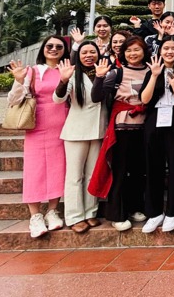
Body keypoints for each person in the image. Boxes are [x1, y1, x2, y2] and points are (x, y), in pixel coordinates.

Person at [7, 35, 70, 239]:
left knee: (58, 167)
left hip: (62, 124)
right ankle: (35, 215)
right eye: (49, 46)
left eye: (59, 47)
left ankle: (53, 210)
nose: (54, 49)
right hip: (37, 124)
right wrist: (18, 81)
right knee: (35, 169)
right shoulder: (33, 71)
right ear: (43, 49)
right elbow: (14, 99)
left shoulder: (67, 69)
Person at [89, 36, 150, 231]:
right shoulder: (116, 73)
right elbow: (97, 96)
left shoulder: (152, 71)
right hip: (122, 128)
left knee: (139, 170)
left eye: (137, 50)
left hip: (145, 127)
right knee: (120, 170)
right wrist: (99, 77)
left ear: (144, 52)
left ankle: (135, 207)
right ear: (122, 53)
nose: (133, 54)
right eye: (129, 50)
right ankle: (117, 213)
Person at [139, 37, 174, 233]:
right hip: (154, 121)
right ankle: (154, 213)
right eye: (166, 48)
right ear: (160, 51)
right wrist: (155, 76)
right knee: (153, 167)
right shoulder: (151, 71)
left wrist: (173, 82)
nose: (170, 52)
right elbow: (144, 99)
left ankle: (172, 211)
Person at [52, 40, 107, 233]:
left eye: (93, 52)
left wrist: (101, 77)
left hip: (98, 130)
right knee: (75, 176)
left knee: (92, 174)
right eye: (85, 52)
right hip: (76, 132)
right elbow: (58, 99)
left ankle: (90, 212)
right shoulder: (73, 75)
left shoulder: (104, 71)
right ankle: (74, 216)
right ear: (79, 55)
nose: (89, 55)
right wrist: (63, 80)